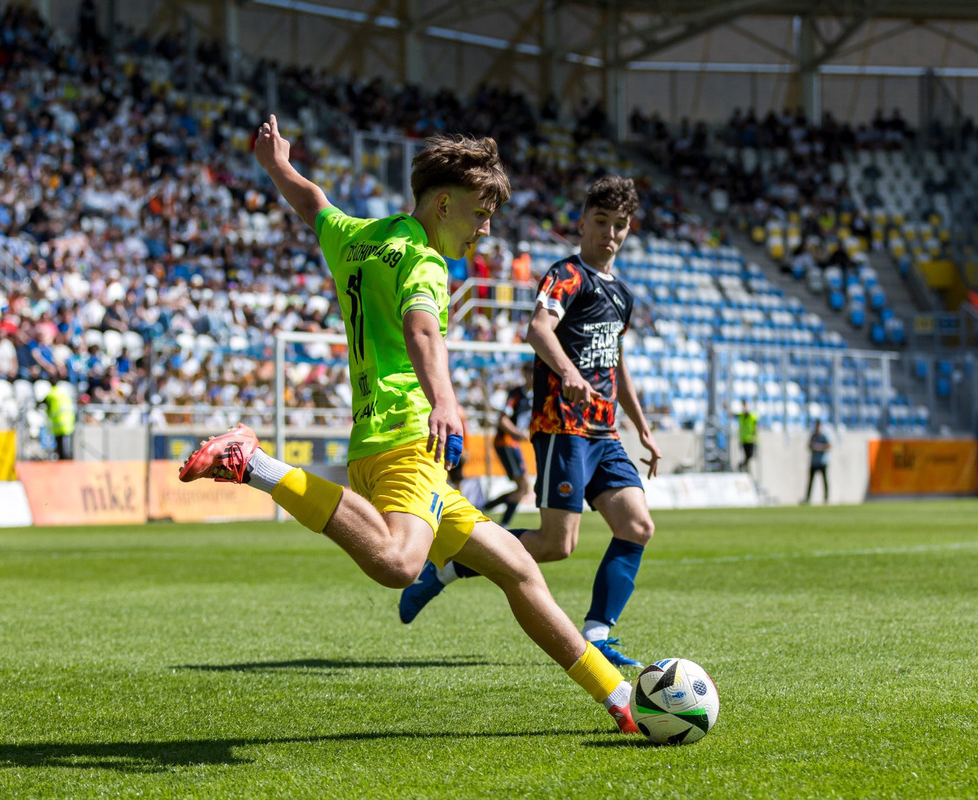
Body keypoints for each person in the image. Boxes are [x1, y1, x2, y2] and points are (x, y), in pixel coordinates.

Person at [178, 115, 640, 734]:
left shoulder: (362, 235)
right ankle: (253, 464)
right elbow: (424, 329)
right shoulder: (423, 261)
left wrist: (276, 167)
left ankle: (617, 698)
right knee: (399, 562)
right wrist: (444, 403)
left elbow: (313, 202)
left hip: (377, 441)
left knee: (518, 567)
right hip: (409, 437)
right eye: (478, 215)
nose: (483, 230)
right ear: (443, 203)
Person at [400, 176, 662, 670]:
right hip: (562, 423)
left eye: (619, 226)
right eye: (600, 222)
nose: (609, 234)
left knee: (637, 525)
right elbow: (537, 329)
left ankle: (599, 634)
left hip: (605, 432)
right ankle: (449, 567)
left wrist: (642, 426)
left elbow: (616, 362)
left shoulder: (622, 295)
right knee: (556, 544)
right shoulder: (566, 275)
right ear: (583, 223)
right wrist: (567, 373)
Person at [482, 360, 534, 526]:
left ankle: (490, 511)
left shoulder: (534, 395)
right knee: (524, 486)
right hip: (505, 441)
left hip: (514, 443)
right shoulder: (517, 393)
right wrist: (518, 432)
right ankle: (490, 513)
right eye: (529, 372)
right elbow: (502, 420)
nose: (532, 376)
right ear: (524, 374)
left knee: (523, 488)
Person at [40, 380, 76, 460]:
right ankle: (69, 463)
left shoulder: (52, 394)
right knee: (69, 447)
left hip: (59, 424)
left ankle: (63, 463)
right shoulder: (64, 393)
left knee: (61, 448)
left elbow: (41, 403)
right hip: (69, 423)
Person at [804, 419, 831, 504]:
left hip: (822, 461)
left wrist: (819, 447)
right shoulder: (813, 436)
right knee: (811, 481)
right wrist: (812, 447)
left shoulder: (824, 435)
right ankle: (808, 498)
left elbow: (829, 445)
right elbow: (808, 445)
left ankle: (826, 498)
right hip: (814, 462)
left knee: (824, 480)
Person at [737, 403, 758, 472]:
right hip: (743, 440)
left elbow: (756, 425)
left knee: (750, 455)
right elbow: (731, 415)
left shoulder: (752, 417)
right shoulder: (741, 416)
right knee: (746, 455)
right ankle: (745, 467)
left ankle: (742, 465)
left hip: (750, 440)